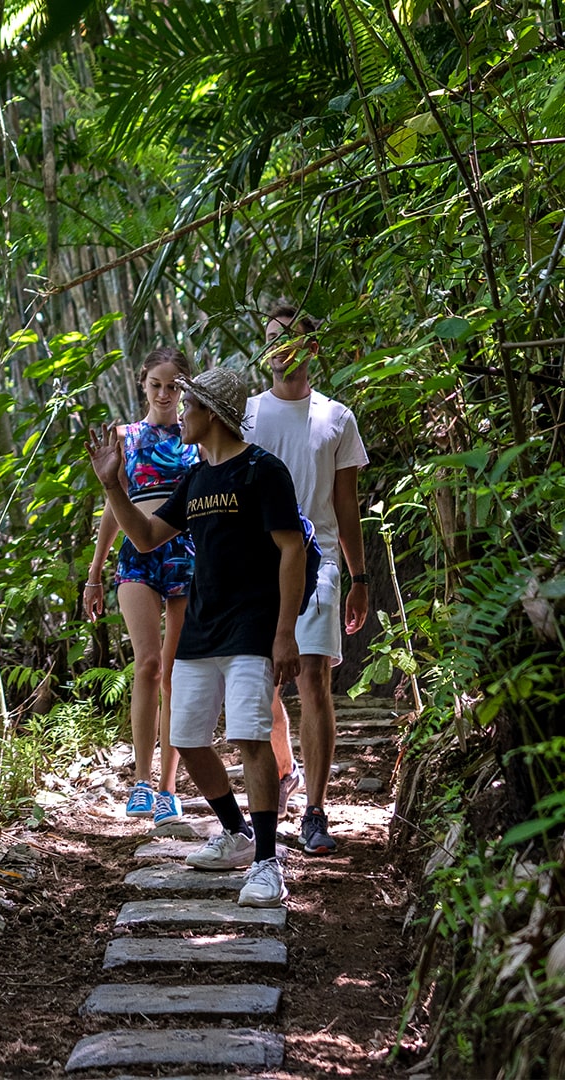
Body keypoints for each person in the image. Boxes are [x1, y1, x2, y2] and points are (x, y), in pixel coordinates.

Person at [87, 366, 305, 908]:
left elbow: (292, 549)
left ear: (212, 414)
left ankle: (267, 863)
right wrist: (112, 484)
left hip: (251, 627)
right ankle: (235, 833)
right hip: (202, 630)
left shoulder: (262, 470)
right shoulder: (197, 478)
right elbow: (145, 537)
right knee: (186, 736)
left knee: (250, 738)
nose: (180, 414)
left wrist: (284, 632)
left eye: (189, 406)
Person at [244, 304, 369, 856]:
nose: (280, 347)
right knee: (260, 683)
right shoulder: (246, 415)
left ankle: (315, 811)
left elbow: (346, 504)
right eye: (272, 338)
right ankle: (282, 771)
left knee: (313, 678)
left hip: (320, 562)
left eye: (290, 338)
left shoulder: (336, 417)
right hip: (256, 567)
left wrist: (360, 575)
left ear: (311, 348)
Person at [85, 347, 198, 828]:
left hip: (187, 555)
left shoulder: (196, 437)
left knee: (174, 672)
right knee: (147, 665)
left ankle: (169, 789)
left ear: (184, 388)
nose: (164, 394)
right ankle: (141, 781)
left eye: (173, 386)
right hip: (137, 558)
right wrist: (95, 572)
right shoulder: (125, 437)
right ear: (143, 384)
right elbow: (115, 507)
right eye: (156, 385)